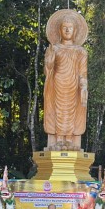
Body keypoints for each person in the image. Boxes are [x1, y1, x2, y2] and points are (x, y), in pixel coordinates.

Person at [43, 9, 88, 151]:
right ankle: (58, 139)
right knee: (58, 110)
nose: (67, 30)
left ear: (75, 31)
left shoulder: (80, 51)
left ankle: (69, 139)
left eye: (70, 27)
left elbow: (83, 72)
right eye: (64, 27)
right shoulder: (54, 49)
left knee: (71, 112)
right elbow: (48, 69)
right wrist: (49, 60)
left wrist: (83, 86)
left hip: (73, 86)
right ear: (59, 30)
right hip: (57, 84)